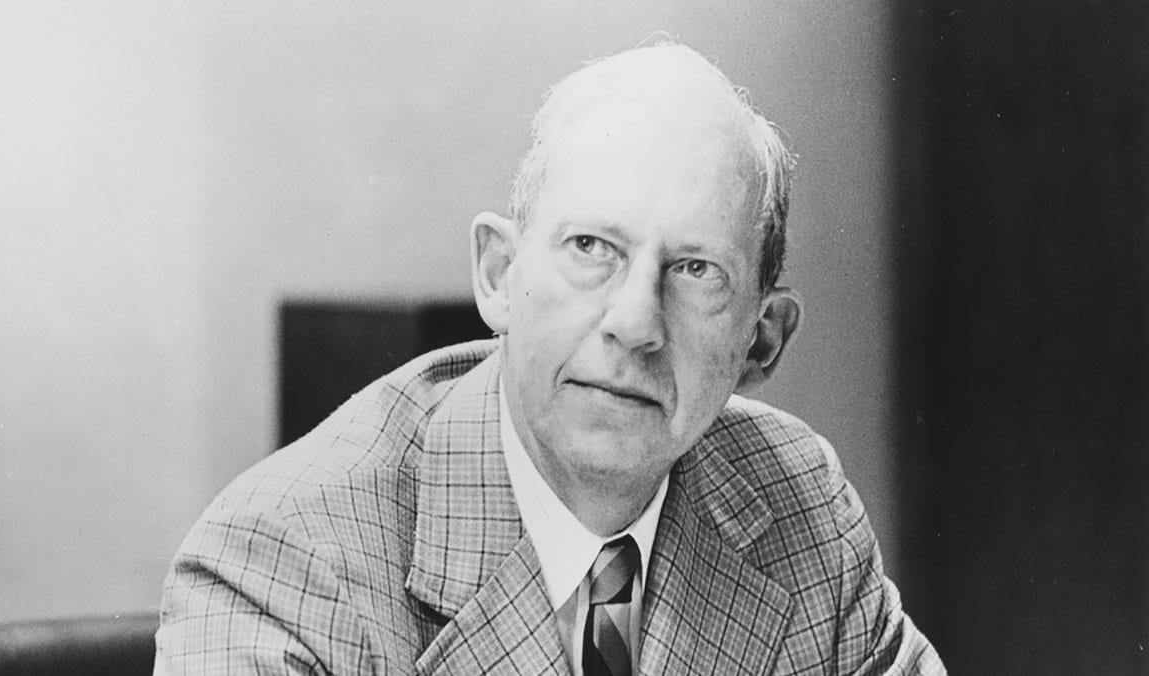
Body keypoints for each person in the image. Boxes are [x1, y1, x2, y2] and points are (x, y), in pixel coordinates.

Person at [155, 40, 944, 674]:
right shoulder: (281, 560)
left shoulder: (797, 504)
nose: (635, 324)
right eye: (592, 247)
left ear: (761, 339)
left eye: (695, 270)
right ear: (499, 275)